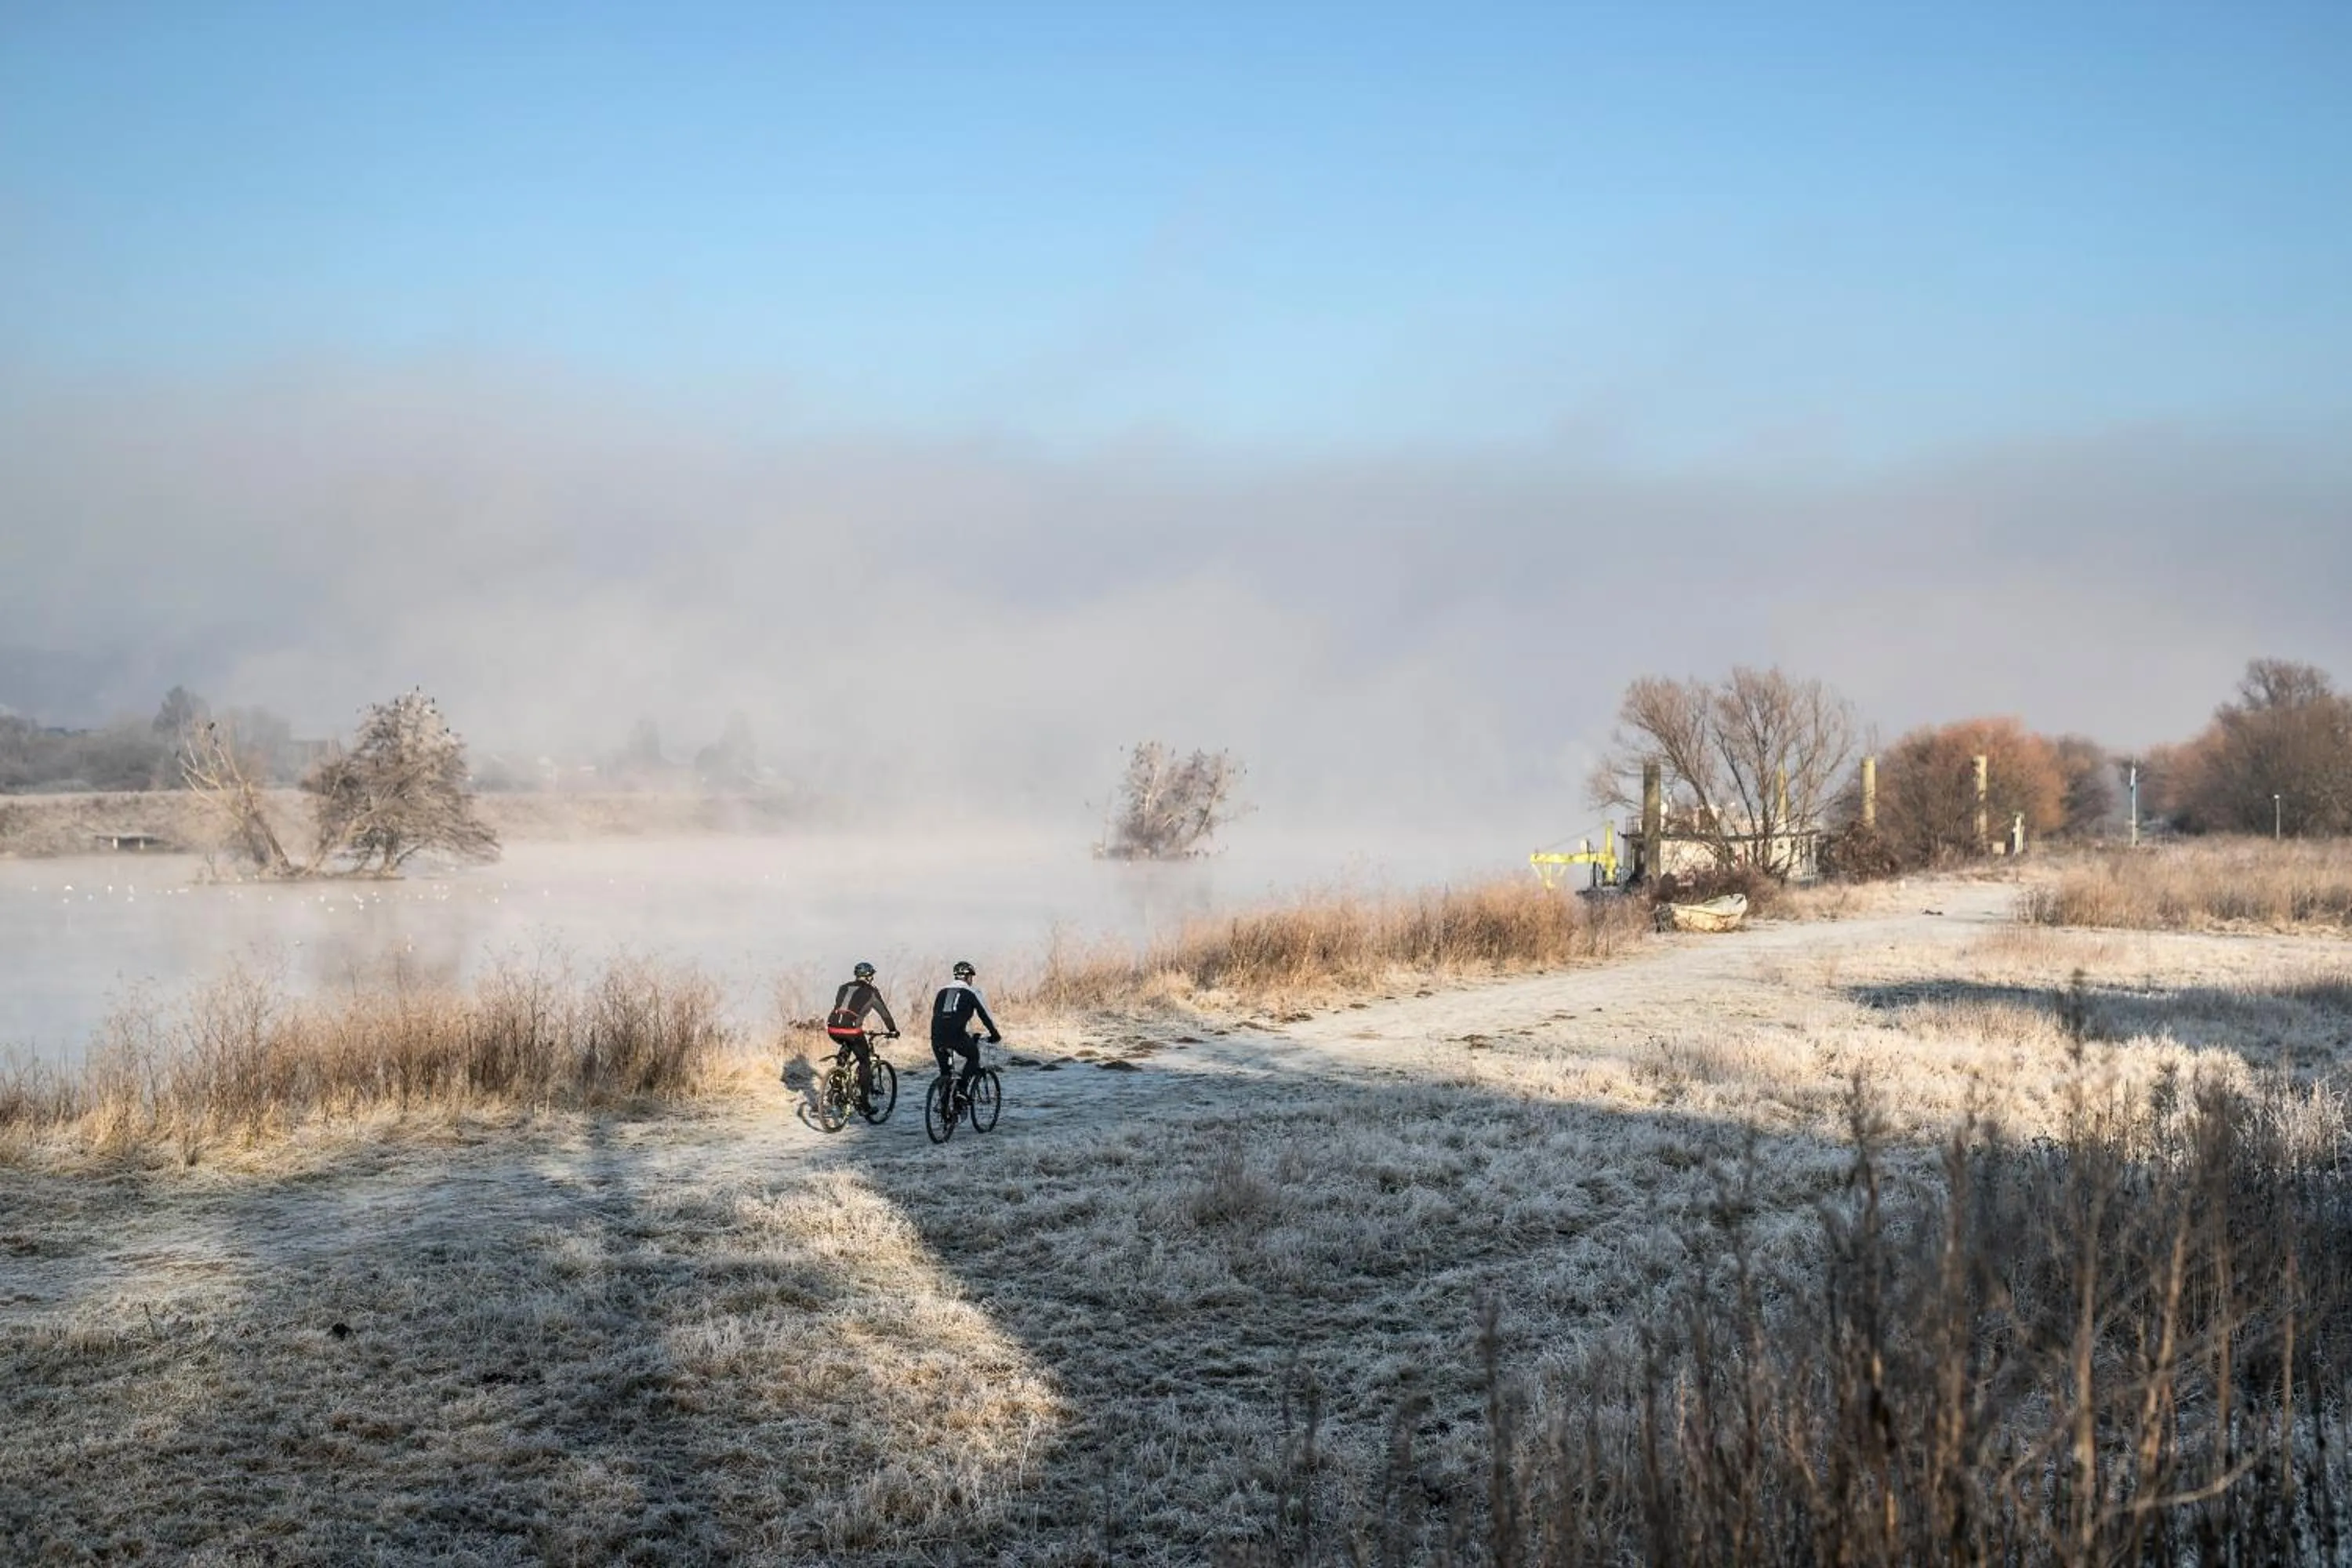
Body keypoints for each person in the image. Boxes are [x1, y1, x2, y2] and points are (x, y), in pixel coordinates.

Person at [826, 961, 898, 1113]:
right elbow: (884, 1013)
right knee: (865, 1062)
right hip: (852, 1030)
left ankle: (837, 1082)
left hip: (832, 1027)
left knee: (846, 1043)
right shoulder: (871, 991)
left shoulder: (843, 987)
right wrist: (893, 1030)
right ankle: (864, 1105)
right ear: (869, 976)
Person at [930, 960, 1000, 1112]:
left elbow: (941, 1015)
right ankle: (962, 1090)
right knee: (973, 1056)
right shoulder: (971, 992)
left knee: (945, 1072)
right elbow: (985, 1016)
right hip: (956, 1034)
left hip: (936, 1035)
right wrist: (995, 1035)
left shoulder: (941, 992)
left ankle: (944, 1106)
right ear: (968, 977)